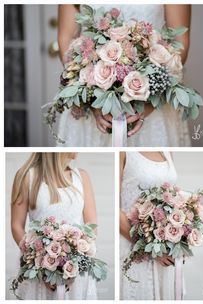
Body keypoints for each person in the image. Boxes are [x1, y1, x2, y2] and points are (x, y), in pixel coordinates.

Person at [57, 4, 191, 147]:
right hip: (92, 110)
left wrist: (149, 99)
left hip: (153, 106)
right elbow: (66, 38)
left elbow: (180, 41)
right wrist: (92, 99)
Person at [11, 152, 97, 299]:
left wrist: (75, 266)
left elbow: (92, 225)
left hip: (76, 273)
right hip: (37, 272)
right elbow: (16, 226)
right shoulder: (27, 176)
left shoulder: (82, 177)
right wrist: (39, 265)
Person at [120, 151, 178, 300]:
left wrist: (180, 238)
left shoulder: (168, 150)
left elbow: (173, 195)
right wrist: (151, 248)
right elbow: (116, 209)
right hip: (135, 246)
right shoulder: (123, 153)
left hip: (166, 254)